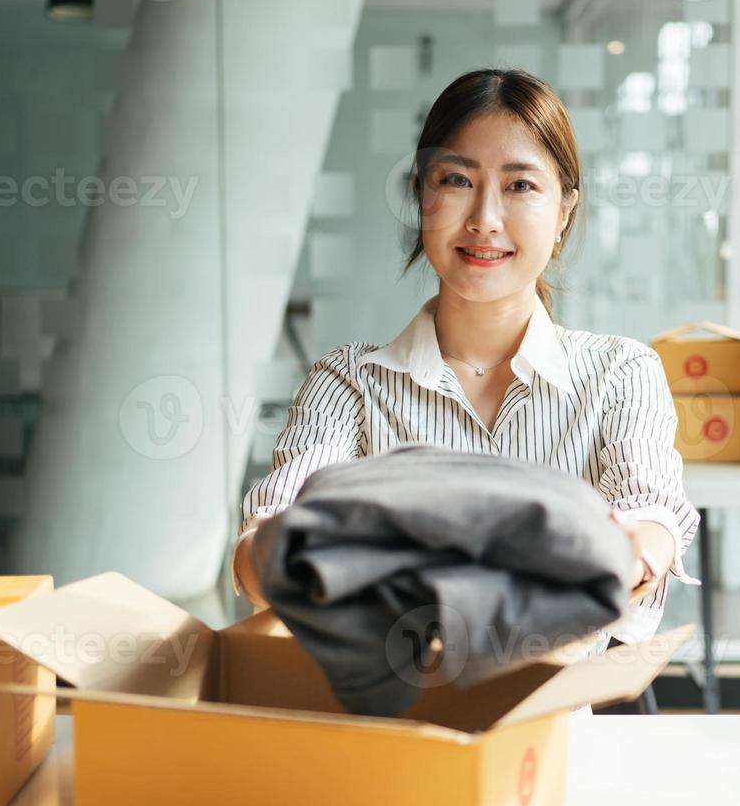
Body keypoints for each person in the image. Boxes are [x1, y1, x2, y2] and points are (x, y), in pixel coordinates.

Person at [230, 67, 700, 654]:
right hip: (389, 724)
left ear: (564, 213)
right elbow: (261, 547)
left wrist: (636, 549)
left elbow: (649, 508)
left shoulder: (619, 374)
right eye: (456, 180)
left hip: (547, 731)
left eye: (521, 186)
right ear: (422, 198)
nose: (485, 219)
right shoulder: (349, 382)